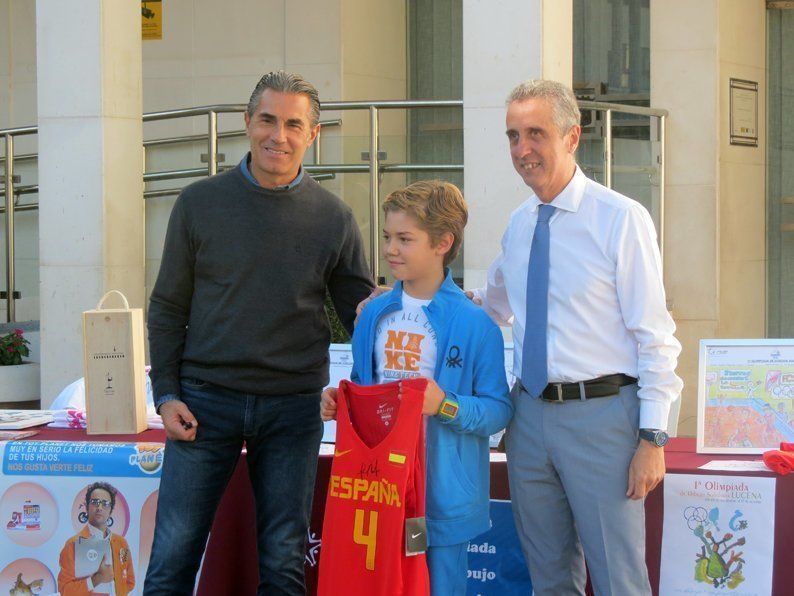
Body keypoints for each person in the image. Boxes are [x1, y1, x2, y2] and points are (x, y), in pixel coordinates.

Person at [144, 71, 374, 595]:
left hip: (292, 409)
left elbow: (364, 317)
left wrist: (420, 299)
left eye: (294, 124)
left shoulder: (334, 218)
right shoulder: (198, 203)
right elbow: (166, 308)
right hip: (204, 404)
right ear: (247, 123)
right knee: (172, 558)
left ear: (313, 135)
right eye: (267, 119)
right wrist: (166, 395)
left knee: (284, 561)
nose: (279, 135)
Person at [470, 80, 683, 595]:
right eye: (513, 136)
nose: (522, 150)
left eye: (536, 134)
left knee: (619, 580)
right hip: (530, 422)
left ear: (572, 137)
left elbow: (655, 335)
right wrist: (406, 297)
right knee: (548, 578)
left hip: (604, 420)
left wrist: (653, 437)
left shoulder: (620, 219)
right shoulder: (520, 226)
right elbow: (488, 305)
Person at [322, 180, 513, 595]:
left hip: (441, 498)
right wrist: (342, 402)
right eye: (388, 237)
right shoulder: (371, 314)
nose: (391, 249)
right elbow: (362, 386)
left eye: (405, 239)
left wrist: (444, 405)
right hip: (379, 492)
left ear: (443, 242)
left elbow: (499, 410)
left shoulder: (476, 325)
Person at [58, 482, 135, 596]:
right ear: (87, 507)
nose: (99, 507)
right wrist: (96, 579)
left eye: (105, 504)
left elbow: (130, 581)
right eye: (95, 502)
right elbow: (65, 590)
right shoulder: (73, 544)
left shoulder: (121, 543)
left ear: (110, 510)